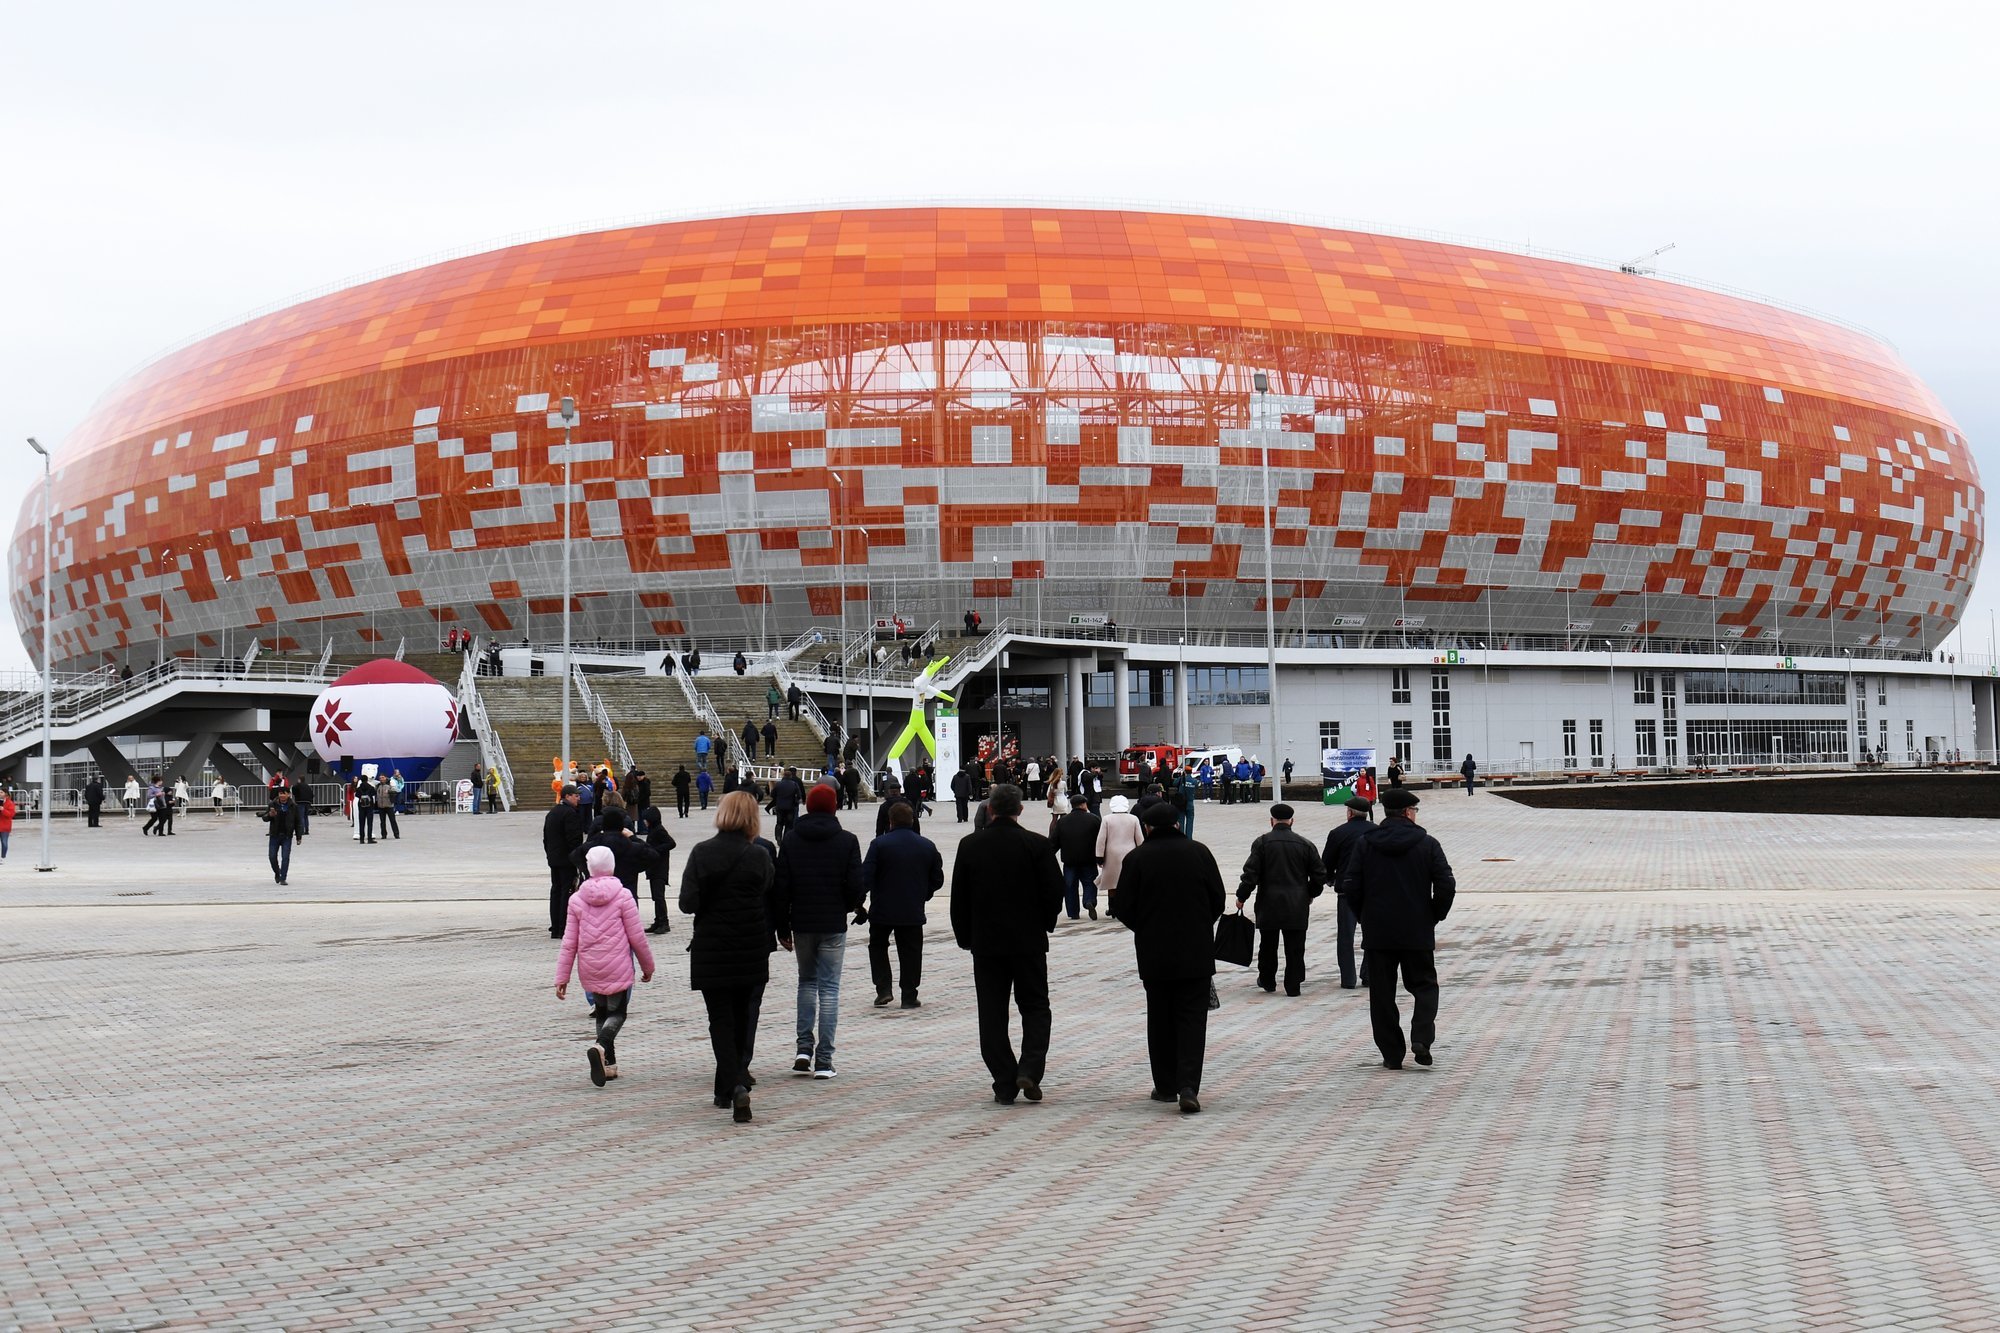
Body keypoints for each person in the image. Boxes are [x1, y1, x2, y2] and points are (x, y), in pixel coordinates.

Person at [949, 784, 1064, 1105]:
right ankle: (1029, 1068)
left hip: (986, 944)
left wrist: (965, 936)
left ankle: (1004, 1080)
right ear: (1021, 810)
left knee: (992, 1012)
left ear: (989, 809)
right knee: (1036, 1007)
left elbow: (959, 897)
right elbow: (1054, 891)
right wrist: (1044, 922)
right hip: (1028, 941)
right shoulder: (1037, 845)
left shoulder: (970, 845)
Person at [1115, 801, 1226, 1112]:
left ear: (1147, 828)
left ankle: (1165, 1086)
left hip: (1154, 954)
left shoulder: (1137, 858)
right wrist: (1200, 924)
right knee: (1192, 1020)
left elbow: (1123, 906)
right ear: (1177, 823)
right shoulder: (1199, 852)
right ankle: (1188, 1085)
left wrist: (1145, 928)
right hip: (1196, 952)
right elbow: (1217, 898)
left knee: (1160, 1018)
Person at [1339, 788, 1457, 1069]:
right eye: (1415, 810)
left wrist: (1364, 915)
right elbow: (1446, 884)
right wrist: (1434, 915)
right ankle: (1421, 1037)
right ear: (1407, 812)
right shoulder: (1428, 844)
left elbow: (1351, 886)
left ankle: (1392, 1054)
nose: (1416, 815)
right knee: (1425, 986)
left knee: (1381, 994)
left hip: (1379, 932)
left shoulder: (1366, 843)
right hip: (1417, 931)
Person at [681, 791, 779, 1122]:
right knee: (741, 1018)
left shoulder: (702, 853)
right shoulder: (759, 856)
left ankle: (734, 1086)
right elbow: (767, 888)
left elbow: (687, 903)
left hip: (713, 948)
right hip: (751, 947)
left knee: (720, 1020)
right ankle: (728, 1087)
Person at [774, 784, 862, 1079]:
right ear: (834, 806)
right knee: (830, 989)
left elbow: (781, 886)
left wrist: (781, 926)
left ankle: (802, 1048)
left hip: (802, 922)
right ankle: (824, 1060)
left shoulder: (791, 840)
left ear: (808, 807)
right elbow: (856, 887)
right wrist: (847, 906)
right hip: (832, 923)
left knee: (806, 983)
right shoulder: (847, 841)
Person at [554, 845, 657, 1089]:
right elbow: (637, 937)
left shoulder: (576, 899)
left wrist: (562, 977)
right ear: (612, 866)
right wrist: (647, 966)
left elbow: (569, 942)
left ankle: (608, 1064)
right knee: (618, 1013)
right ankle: (600, 1046)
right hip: (618, 964)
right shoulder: (623, 896)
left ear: (588, 868)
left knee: (601, 1012)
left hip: (590, 965)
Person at [1236, 803, 1328, 996]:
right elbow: (1320, 875)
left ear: (1272, 821)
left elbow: (1250, 873)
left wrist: (1241, 896)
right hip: (1297, 904)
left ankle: (1268, 980)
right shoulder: (1305, 844)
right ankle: (1293, 985)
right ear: (1292, 821)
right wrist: (1310, 893)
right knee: (1295, 947)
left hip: (1268, 903)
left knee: (1268, 945)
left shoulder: (1261, 843)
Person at [862, 800, 943, 1008]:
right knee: (911, 951)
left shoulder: (879, 845)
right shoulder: (927, 846)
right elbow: (937, 879)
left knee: (878, 946)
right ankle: (909, 994)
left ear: (890, 822)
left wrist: (859, 901)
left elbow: (865, 876)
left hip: (882, 908)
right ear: (913, 820)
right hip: (912, 908)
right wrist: (924, 894)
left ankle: (883, 989)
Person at [1321, 797, 1376, 989]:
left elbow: (1326, 863)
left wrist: (1329, 879)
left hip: (1346, 891)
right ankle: (1369, 975)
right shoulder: (1377, 831)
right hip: (1373, 892)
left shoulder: (1338, 833)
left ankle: (1348, 979)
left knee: (1346, 936)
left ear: (1350, 813)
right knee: (1373, 934)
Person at [570, 808, 662, 901]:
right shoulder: (632, 846)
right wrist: (633, 838)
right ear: (622, 827)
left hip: (600, 893)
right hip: (626, 893)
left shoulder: (595, 844)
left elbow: (575, 855)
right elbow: (653, 855)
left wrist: (588, 871)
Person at [542, 784, 589, 938]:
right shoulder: (570, 814)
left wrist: (550, 855)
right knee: (566, 892)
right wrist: (578, 859)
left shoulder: (552, 812)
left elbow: (546, 838)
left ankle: (555, 926)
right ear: (567, 796)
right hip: (567, 860)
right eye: (576, 795)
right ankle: (563, 927)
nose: (578, 798)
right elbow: (574, 840)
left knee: (555, 891)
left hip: (554, 859)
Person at [1054, 792, 1103, 921]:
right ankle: (1089, 901)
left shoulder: (1062, 821)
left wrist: (1047, 855)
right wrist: (1101, 857)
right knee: (1089, 882)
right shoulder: (1094, 819)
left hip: (1069, 860)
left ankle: (1073, 912)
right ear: (1083, 804)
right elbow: (1101, 840)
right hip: (1089, 858)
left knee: (1070, 886)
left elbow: (1054, 841)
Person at [1095, 794, 1143, 916]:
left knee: (1112, 883)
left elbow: (1101, 839)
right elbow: (1139, 838)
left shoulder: (1107, 819)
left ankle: (1112, 908)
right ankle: (1128, 907)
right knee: (1129, 882)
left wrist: (1099, 856)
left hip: (1112, 853)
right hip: (1130, 852)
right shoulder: (1133, 819)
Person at [635, 805, 677, 933]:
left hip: (660, 868)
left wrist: (655, 850)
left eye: (646, 819)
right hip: (653, 868)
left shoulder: (659, 830)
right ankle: (658, 920)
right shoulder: (653, 830)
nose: (644, 822)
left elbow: (671, 843)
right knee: (655, 896)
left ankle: (664, 922)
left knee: (659, 896)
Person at [260, 786, 303, 884]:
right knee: (272, 856)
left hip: (287, 836)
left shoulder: (293, 806)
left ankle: (283, 878)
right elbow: (265, 818)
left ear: (289, 794)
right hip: (275, 835)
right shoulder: (272, 804)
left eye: (284, 793)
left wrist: (299, 836)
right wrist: (270, 815)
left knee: (285, 857)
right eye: (280, 793)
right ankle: (277, 872)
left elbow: (298, 822)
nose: (282, 795)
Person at [768, 766, 805, 842]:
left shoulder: (778, 784)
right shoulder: (794, 784)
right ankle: (786, 838)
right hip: (790, 807)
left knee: (779, 823)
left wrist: (778, 798)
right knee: (789, 824)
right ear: (790, 776)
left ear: (784, 776)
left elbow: (772, 794)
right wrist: (795, 801)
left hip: (780, 806)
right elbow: (799, 795)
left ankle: (778, 837)